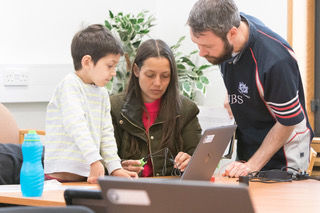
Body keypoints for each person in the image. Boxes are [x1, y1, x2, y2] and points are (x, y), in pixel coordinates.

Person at [187, 0, 314, 177]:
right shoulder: (227, 31)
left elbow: (288, 121)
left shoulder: (276, 62)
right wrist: (231, 93)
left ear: (232, 33)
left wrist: (253, 164)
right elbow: (240, 70)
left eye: (207, 46)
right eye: (197, 44)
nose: (201, 53)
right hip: (250, 139)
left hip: (285, 150)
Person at [44, 24, 137, 183]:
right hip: (58, 178)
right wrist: (95, 160)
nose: (114, 72)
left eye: (115, 66)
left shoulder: (101, 93)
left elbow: (107, 134)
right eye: (110, 65)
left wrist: (115, 168)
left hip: (86, 177)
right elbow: (76, 125)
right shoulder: (70, 85)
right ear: (87, 62)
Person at [110, 39, 202, 177]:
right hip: (130, 189)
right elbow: (101, 161)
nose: (158, 83)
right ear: (136, 70)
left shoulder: (186, 109)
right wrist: (117, 167)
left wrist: (191, 162)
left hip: (171, 192)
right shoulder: (114, 107)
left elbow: (200, 162)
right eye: (150, 75)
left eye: (165, 76)